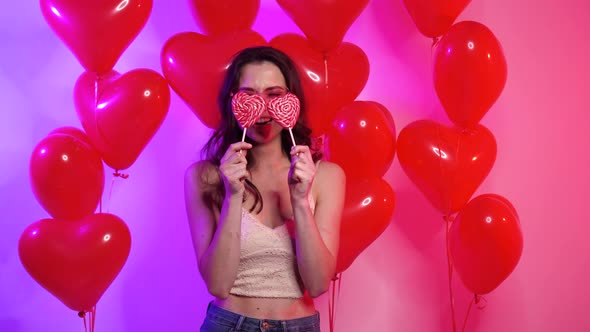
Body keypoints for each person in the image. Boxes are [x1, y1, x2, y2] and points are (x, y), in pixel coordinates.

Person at [184, 46, 346, 332]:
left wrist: (300, 201)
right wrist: (233, 196)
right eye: (250, 96)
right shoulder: (204, 177)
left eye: (274, 95)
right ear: (233, 102)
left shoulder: (327, 177)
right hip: (228, 324)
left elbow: (319, 283)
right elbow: (218, 284)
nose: (263, 108)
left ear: (291, 101)